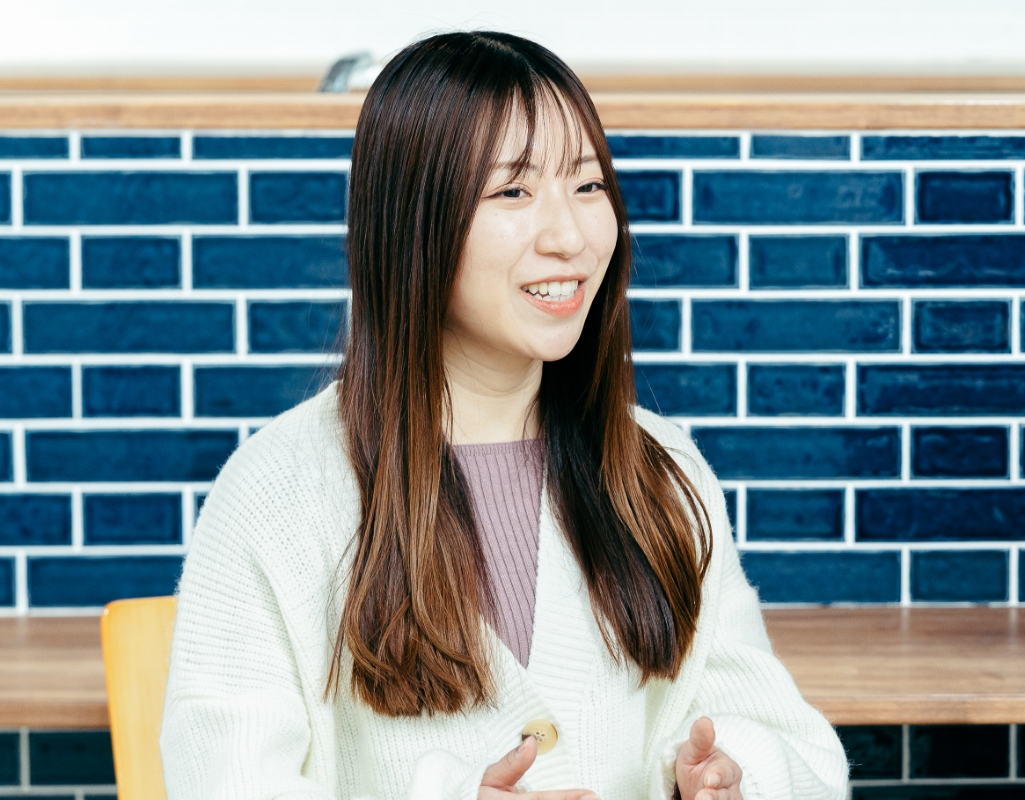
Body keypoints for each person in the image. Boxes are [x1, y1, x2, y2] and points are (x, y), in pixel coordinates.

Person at [160, 31, 848, 800]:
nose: (570, 236)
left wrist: (733, 779)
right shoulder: (275, 495)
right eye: (513, 192)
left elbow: (786, 747)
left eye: (588, 185)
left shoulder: (662, 473)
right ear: (414, 223)